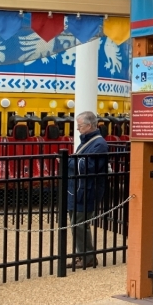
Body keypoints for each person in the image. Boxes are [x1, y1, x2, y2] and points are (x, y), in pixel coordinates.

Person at [67, 111, 108, 269]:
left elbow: (88, 166)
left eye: (80, 126)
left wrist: (67, 162)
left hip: (87, 190)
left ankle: (88, 256)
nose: (78, 129)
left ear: (89, 125)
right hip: (80, 189)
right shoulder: (88, 142)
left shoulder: (99, 144)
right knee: (76, 223)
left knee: (80, 223)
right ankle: (83, 255)